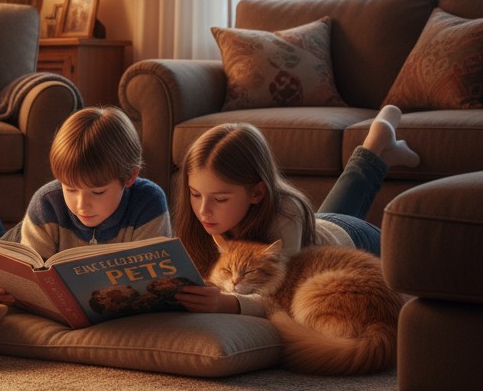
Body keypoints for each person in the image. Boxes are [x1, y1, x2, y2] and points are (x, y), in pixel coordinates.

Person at [173, 104, 420, 315]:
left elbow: (281, 297)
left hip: (353, 238)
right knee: (337, 205)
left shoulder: (285, 213)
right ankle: (377, 145)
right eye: (195, 194)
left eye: (220, 199)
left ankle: (377, 146)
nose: (203, 210)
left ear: (257, 193)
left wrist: (228, 303)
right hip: (317, 226)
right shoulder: (203, 218)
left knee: (332, 216)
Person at [0, 106, 172, 304]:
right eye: (70, 188)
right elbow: (27, 285)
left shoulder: (148, 203)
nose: (81, 205)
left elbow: (153, 281)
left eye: (97, 192)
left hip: (21, 237)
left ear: (130, 177)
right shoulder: (48, 203)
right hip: (27, 240)